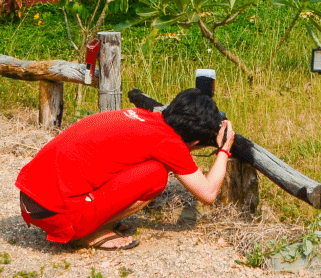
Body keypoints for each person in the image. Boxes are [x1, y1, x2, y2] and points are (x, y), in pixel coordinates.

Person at [15, 88, 236, 250]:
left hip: (31, 201)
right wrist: (224, 149)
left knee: (140, 165)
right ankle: (86, 232)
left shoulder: (144, 116)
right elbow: (208, 193)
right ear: (195, 142)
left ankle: (90, 218)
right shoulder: (169, 142)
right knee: (157, 175)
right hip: (57, 217)